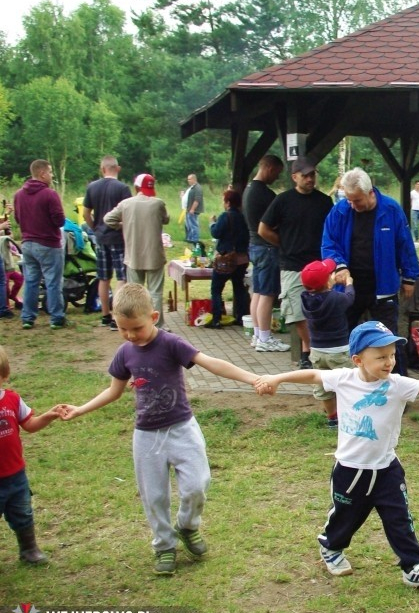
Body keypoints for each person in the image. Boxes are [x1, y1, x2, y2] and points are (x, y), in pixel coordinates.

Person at [254, 321, 419, 589]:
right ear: (358, 360)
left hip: (387, 469)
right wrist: (277, 378)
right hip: (350, 470)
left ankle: (413, 566)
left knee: (399, 517)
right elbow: (312, 376)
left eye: (391, 355)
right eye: (380, 357)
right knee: (346, 516)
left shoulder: (398, 385)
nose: (389, 362)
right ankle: (331, 547)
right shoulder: (343, 378)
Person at [56, 284, 262, 575]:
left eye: (136, 328)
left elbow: (211, 364)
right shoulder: (125, 352)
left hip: (182, 428)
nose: (129, 335)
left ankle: (188, 527)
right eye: (122, 329)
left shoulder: (171, 343)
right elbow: (113, 391)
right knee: (154, 497)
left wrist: (253, 378)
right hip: (147, 436)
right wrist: (81, 408)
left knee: (197, 485)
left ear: (153, 316)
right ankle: (164, 546)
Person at [321, 167, 419, 376]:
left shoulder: (391, 210)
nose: (352, 204)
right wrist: (340, 265)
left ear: (370, 192)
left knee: (389, 340)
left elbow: (405, 244)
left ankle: (399, 389)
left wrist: (409, 277)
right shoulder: (339, 211)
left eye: (356, 200)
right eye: (348, 199)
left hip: (383, 288)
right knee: (343, 337)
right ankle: (348, 386)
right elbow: (328, 244)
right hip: (349, 289)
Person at [259, 157, 335, 370]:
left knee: (320, 311)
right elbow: (263, 229)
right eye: (305, 175)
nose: (310, 179)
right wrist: (283, 244)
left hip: (319, 265)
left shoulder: (324, 202)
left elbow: (333, 230)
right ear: (295, 177)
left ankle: (309, 353)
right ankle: (312, 349)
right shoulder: (283, 200)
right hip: (292, 265)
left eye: (313, 175)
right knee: (294, 312)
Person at [0, 346, 62, 564]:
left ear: (4, 375)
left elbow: (30, 425)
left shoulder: (12, 400)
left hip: (15, 474)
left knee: (22, 513)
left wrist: (49, 415)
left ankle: (29, 549)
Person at [104, 174, 170, 328]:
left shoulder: (125, 204)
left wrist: (122, 224)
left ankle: (136, 323)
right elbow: (166, 219)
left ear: (136, 187)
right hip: (154, 255)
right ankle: (157, 325)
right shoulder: (158, 203)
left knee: (135, 292)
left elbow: (108, 219)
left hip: (133, 255)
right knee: (155, 292)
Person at [299, 258, 355, 427]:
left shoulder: (304, 300)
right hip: (339, 351)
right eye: (330, 275)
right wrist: (349, 283)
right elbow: (350, 298)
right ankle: (349, 417)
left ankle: (332, 418)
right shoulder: (335, 298)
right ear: (328, 283)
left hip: (317, 351)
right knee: (347, 384)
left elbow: (322, 292)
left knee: (323, 386)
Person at [242, 154, 289, 353]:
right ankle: (265, 337)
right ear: (269, 168)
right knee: (268, 294)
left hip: (254, 245)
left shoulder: (248, 191)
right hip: (268, 247)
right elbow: (276, 221)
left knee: (258, 292)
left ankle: (257, 335)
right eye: (276, 173)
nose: (276, 178)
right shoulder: (265, 195)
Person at [13, 160, 66, 330]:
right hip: (48, 243)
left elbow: (17, 219)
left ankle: (28, 317)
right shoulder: (49, 194)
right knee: (53, 282)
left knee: (31, 281)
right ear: (42, 173)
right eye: (50, 172)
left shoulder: (18, 195)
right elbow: (59, 220)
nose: (51, 175)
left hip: (27, 243)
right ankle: (56, 317)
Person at [83, 155, 133, 330]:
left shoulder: (92, 187)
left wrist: (95, 228)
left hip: (100, 237)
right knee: (122, 277)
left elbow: (85, 213)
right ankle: (116, 316)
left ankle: (105, 315)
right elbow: (128, 214)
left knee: (103, 278)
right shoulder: (122, 188)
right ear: (117, 169)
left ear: (102, 169)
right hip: (118, 237)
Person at [207, 189, 250, 329]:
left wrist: (212, 223)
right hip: (242, 259)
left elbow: (216, 233)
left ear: (228, 203)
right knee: (239, 289)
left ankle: (217, 318)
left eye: (224, 201)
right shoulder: (244, 217)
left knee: (216, 289)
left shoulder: (225, 216)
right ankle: (242, 317)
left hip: (226, 260)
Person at [184, 174, 204, 245]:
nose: (188, 181)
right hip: (188, 209)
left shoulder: (198, 188)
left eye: (189, 179)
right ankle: (189, 238)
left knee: (193, 225)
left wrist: (192, 209)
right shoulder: (192, 188)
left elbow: (197, 200)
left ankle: (195, 239)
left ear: (194, 179)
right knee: (189, 225)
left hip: (193, 210)